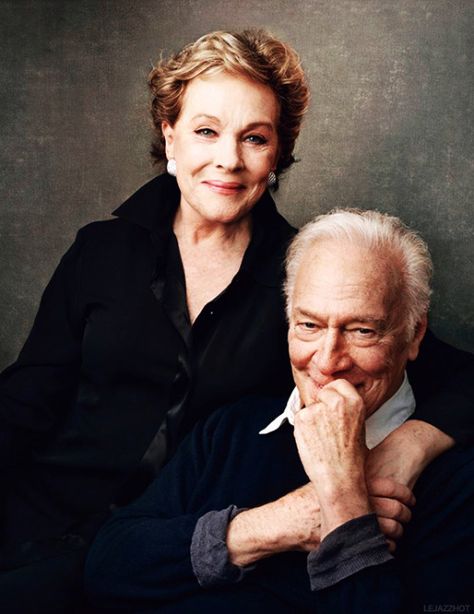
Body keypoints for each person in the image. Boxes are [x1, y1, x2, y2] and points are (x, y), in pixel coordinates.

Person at [0, 29, 472, 611]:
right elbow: (25, 401)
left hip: (188, 548)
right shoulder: (101, 250)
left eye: (254, 137)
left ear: (278, 154)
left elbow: (447, 370)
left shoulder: (309, 282)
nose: (228, 158)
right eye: (205, 131)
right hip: (40, 523)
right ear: (169, 136)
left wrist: (406, 448)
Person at [85, 209, 474, 612]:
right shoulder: (231, 428)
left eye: (362, 331)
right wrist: (280, 523)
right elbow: (108, 567)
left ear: (414, 334)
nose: (327, 362)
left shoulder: (458, 482)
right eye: (309, 325)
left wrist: (344, 500)